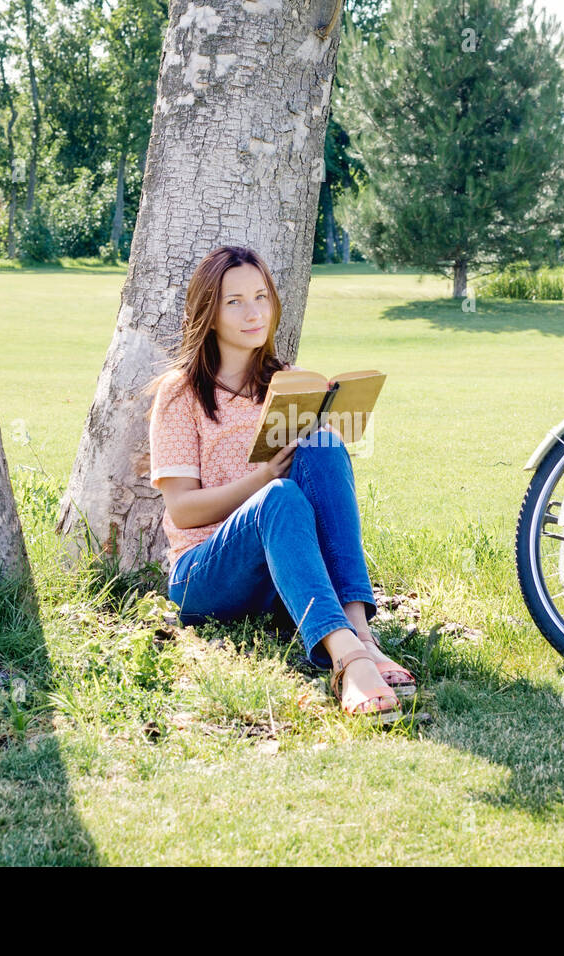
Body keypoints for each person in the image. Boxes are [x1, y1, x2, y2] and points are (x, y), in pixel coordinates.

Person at [144, 245, 416, 722]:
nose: (254, 313)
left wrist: (326, 430)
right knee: (278, 495)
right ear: (209, 313)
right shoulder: (180, 394)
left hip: (279, 572)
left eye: (261, 297)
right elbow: (182, 510)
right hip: (204, 577)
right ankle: (347, 661)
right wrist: (263, 478)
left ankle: (362, 635)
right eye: (234, 302)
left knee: (324, 447)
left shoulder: (287, 382)